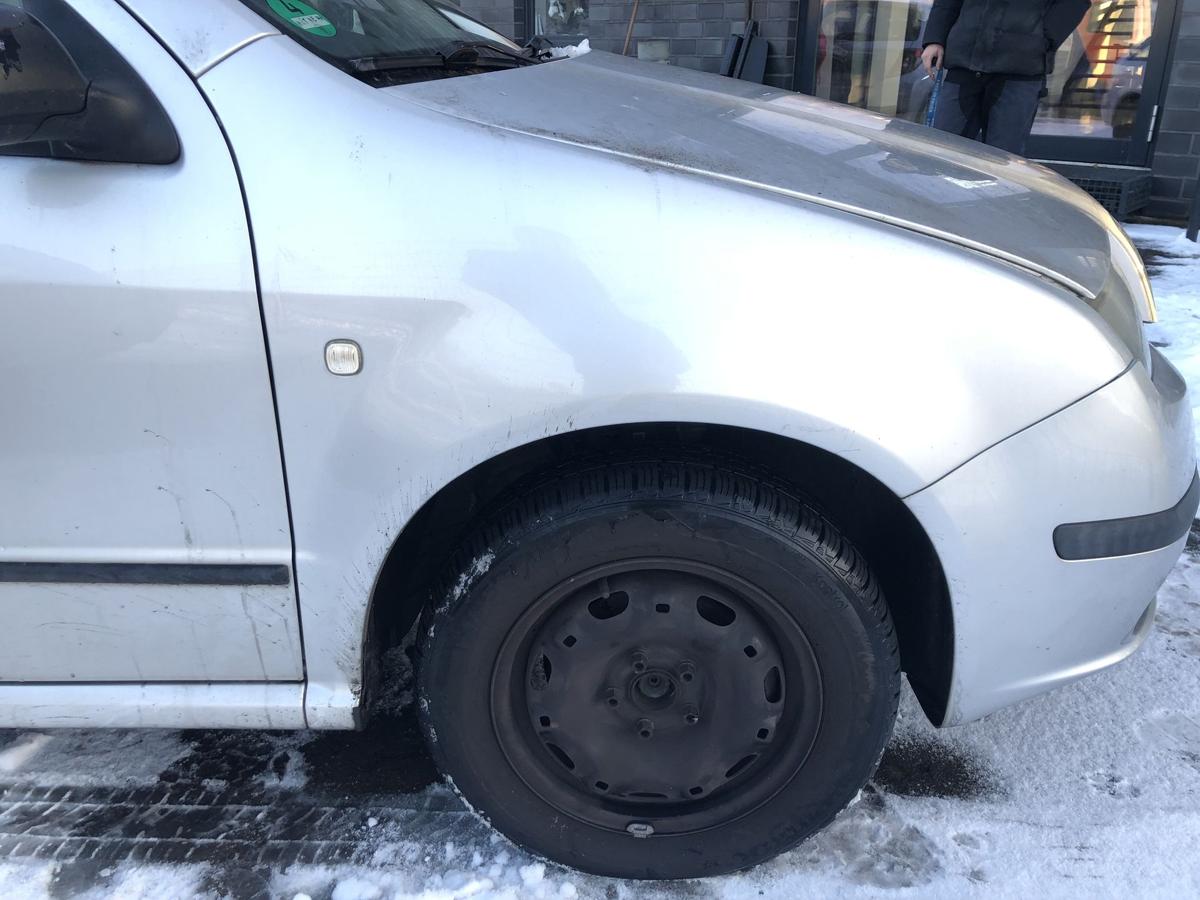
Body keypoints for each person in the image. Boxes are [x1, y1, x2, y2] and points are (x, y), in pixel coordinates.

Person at [920, 0, 1091, 155]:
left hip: (1019, 72)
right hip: (965, 64)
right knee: (941, 151)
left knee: (1002, 162)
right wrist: (935, 39)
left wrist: (1040, 39)